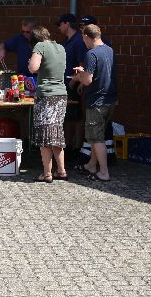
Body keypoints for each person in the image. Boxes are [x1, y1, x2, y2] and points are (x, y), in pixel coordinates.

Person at [72, 24, 117, 182]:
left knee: (96, 139)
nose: (83, 41)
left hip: (96, 101)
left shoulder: (91, 54)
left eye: (83, 38)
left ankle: (104, 172)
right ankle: (91, 165)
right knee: (97, 135)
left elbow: (88, 80)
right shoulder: (109, 50)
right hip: (110, 99)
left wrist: (78, 76)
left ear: (86, 37)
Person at [28, 25, 68, 183]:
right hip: (61, 95)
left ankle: (47, 173)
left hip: (46, 96)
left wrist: (32, 61)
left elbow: (33, 68)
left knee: (45, 134)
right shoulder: (61, 47)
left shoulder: (40, 46)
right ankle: (62, 171)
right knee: (56, 132)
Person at [56, 13, 87, 163]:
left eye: (60, 24)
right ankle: (68, 146)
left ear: (66, 23)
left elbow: (82, 64)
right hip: (65, 84)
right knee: (67, 117)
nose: (59, 27)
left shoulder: (78, 42)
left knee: (77, 117)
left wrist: (76, 82)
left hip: (72, 84)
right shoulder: (67, 41)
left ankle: (77, 147)